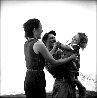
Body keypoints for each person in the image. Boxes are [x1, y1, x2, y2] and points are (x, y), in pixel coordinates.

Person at [23, 18, 77, 98]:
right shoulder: (38, 43)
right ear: (34, 30)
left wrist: (54, 48)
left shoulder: (26, 43)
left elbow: (44, 57)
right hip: (37, 78)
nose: (42, 30)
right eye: (40, 27)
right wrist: (70, 58)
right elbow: (54, 62)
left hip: (28, 77)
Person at [42, 31, 88, 98]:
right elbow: (52, 64)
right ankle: (81, 87)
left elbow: (69, 59)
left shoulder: (59, 51)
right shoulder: (44, 53)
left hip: (68, 83)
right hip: (61, 83)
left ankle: (81, 87)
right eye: (51, 38)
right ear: (45, 41)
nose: (54, 39)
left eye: (54, 38)